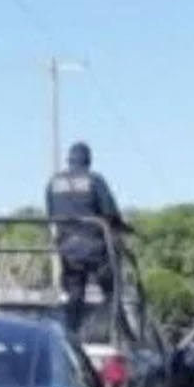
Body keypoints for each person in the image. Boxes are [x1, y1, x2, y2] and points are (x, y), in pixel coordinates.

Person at [45, 141, 132, 335]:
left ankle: (70, 335)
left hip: (68, 250)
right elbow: (110, 214)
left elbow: (51, 214)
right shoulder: (94, 180)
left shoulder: (53, 183)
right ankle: (122, 333)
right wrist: (125, 229)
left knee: (75, 295)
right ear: (88, 161)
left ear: (70, 160)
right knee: (111, 292)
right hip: (95, 248)